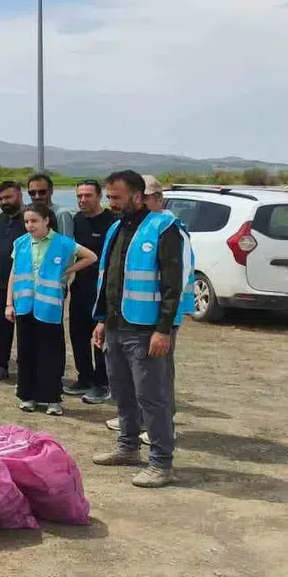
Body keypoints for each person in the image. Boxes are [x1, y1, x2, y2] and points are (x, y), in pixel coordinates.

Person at [92, 170, 194, 489]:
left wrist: (164, 329)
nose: (112, 204)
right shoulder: (115, 230)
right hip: (115, 326)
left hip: (146, 330)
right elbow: (109, 280)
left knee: (152, 397)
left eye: (117, 198)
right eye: (109, 197)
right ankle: (127, 447)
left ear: (137, 196)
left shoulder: (164, 228)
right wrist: (101, 320)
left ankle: (161, 463)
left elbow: (172, 283)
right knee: (122, 393)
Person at [5, 203, 97, 416]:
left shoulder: (63, 243)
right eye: (26, 221)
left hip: (49, 308)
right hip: (25, 306)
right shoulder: (20, 244)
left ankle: (52, 399)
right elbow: (14, 272)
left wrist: (68, 270)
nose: (29, 226)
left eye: (34, 221)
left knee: (51, 354)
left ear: (47, 220)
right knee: (26, 353)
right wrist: (9, 303)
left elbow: (91, 257)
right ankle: (28, 396)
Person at [65, 179, 118, 403]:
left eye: (88, 196)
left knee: (100, 338)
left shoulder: (112, 222)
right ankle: (84, 378)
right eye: (79, 196)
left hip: (103, 291)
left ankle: (102, 383)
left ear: (100, 196)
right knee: (78, 336)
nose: (83, 200)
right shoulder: (76, 221)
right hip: (80, 288)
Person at [0, 180, 26, 382]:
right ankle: (0, 365)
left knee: (26, 329)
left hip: (25, 286)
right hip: (0, 284)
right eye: (0, 199)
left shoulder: (30, 219)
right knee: (0, 327)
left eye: (8, 197)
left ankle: (27, 367)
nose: (4, 201)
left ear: (20, 194)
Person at [27, 173, 74, 238]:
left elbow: (66, 245)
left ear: (51, 191)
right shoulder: (27, 214)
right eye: (32, 193)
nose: (37, 196)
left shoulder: (61, 214)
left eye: (42, 192)